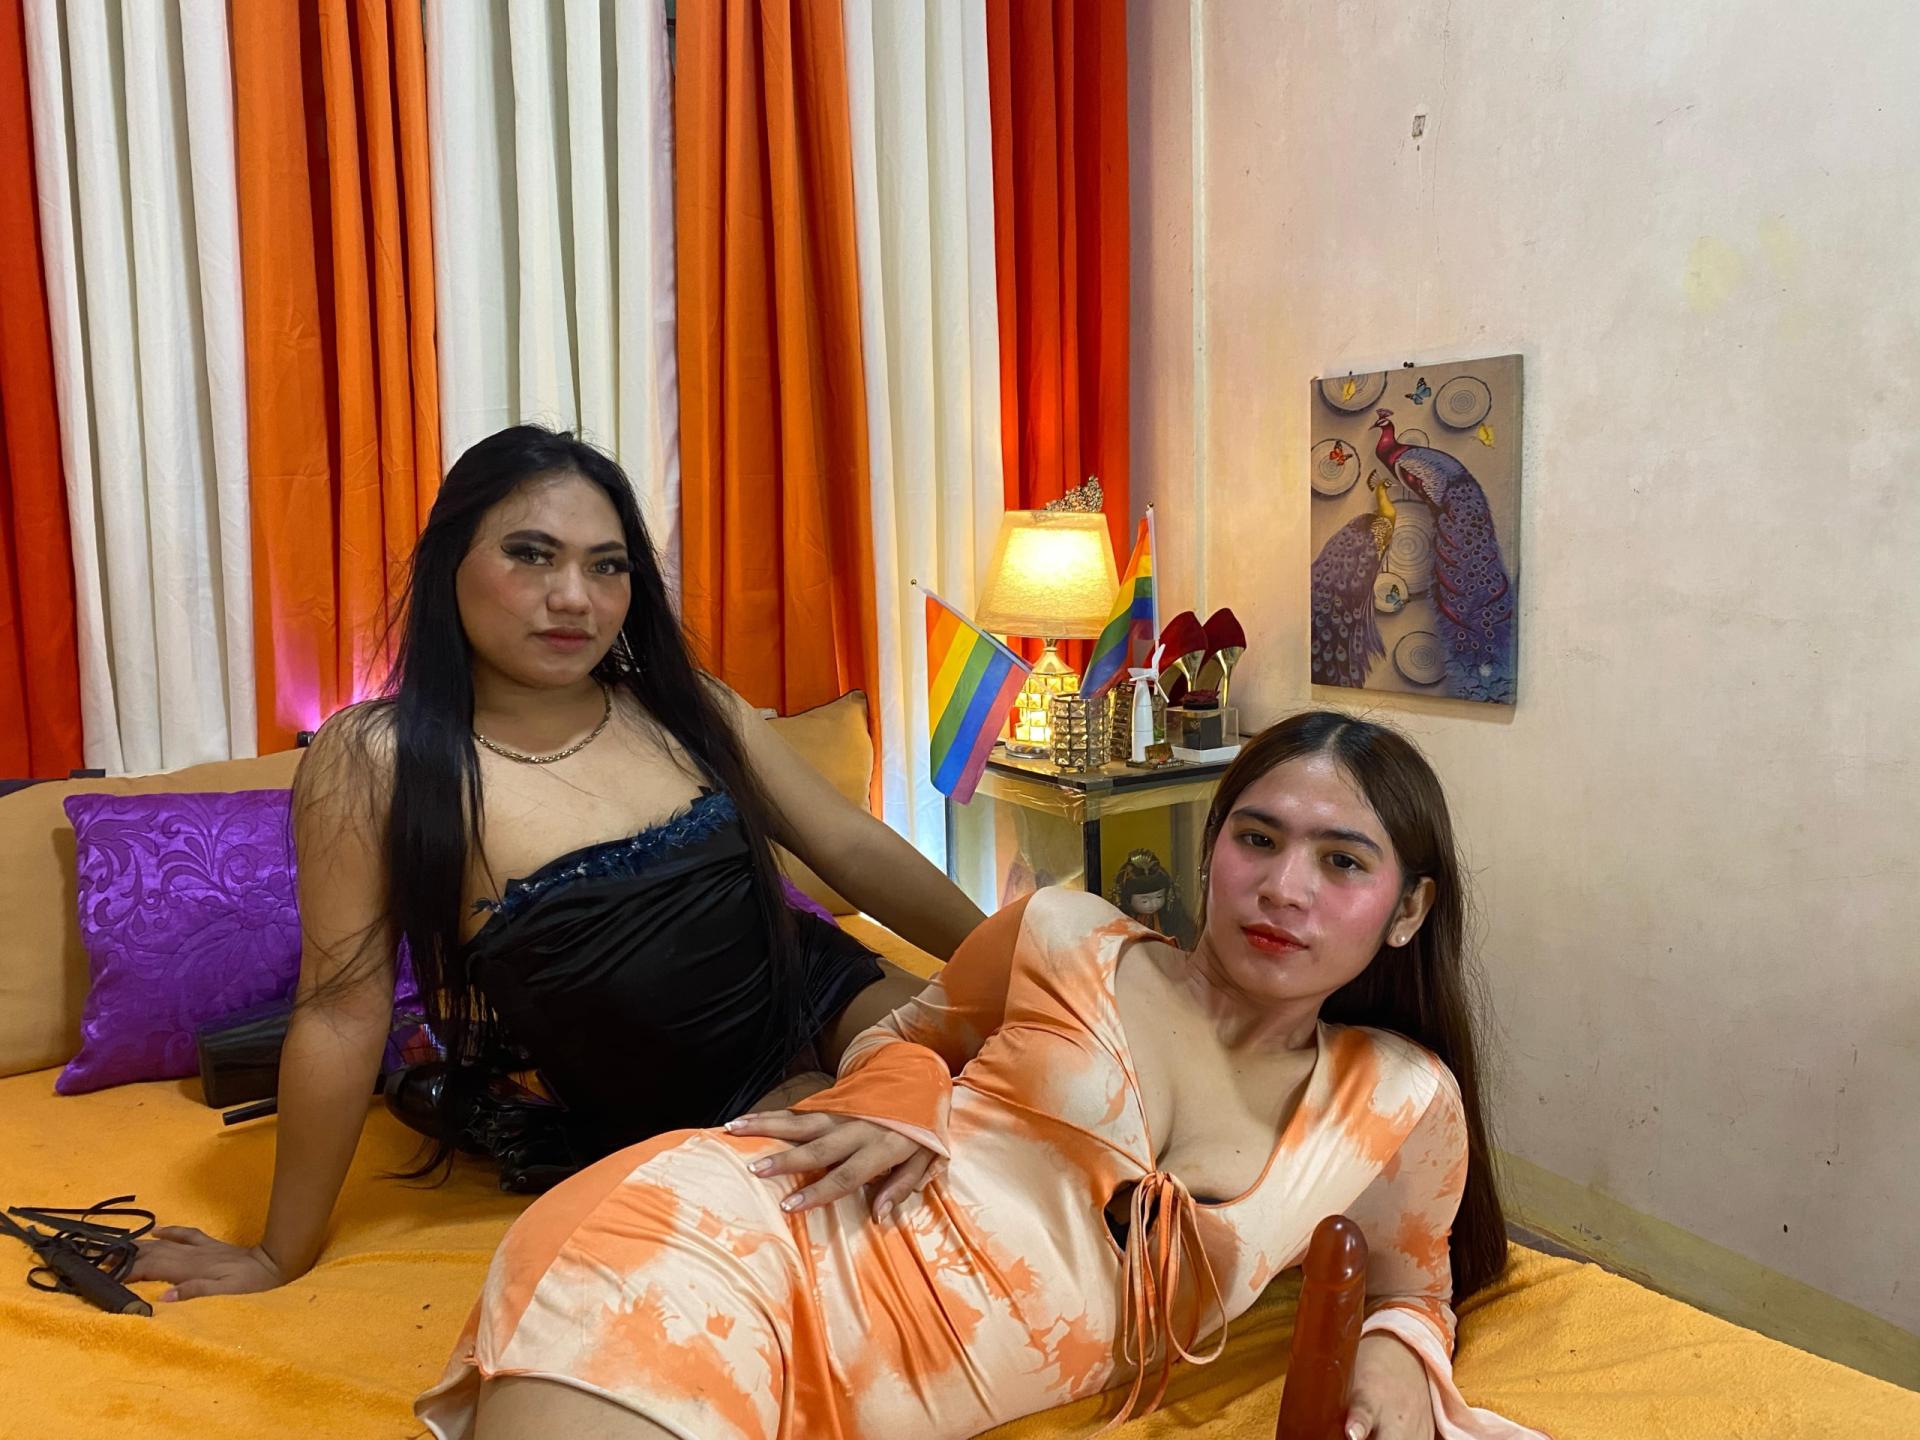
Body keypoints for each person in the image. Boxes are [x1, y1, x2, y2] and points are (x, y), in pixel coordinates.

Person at [418, 711, 1549, 1440]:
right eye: (1257, 838)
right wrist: (899, 1097)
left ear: (1410, 910)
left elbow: (1411, 1289)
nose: (1285, 887)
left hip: (886, 1385)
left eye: (1342, 861)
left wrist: (1397, 1362)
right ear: (1212, 848)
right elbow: (898, 1038)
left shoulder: (1399, 1096)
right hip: (732, 1241)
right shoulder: (1065, 933)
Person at [131, 425, 985, 1302]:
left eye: (607, 566)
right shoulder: (380, 758)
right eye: (531, 555)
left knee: (1035, 1068)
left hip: (837, 1003)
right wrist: (279, 1254)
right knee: (888, 1224)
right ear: (450, 560)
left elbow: (849, 845)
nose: (574, 597)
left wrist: (1015, 961)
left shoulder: (681, 703)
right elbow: (341, 1011)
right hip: (687, 1108)